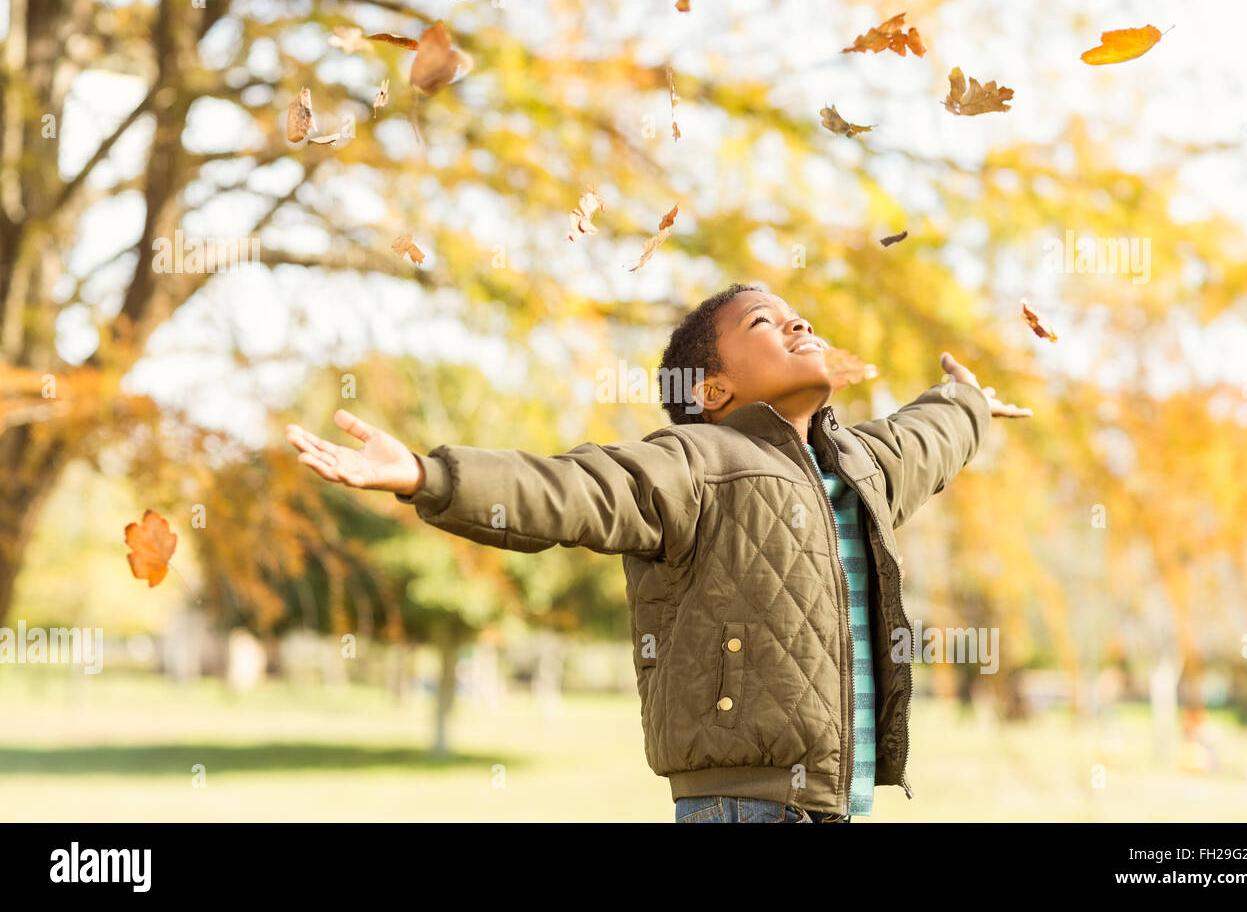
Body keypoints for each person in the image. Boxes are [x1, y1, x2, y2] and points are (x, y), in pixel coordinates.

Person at [285, 283, 1032, 822]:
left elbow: (924, 439)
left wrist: (967, 403)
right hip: (745, 806)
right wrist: (428, 473)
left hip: (838, 802)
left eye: (798, 315)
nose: (798, 323)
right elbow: (570, 489)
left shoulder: (860, 467)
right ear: (712, 390)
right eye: (764, 323)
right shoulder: (695, 460)